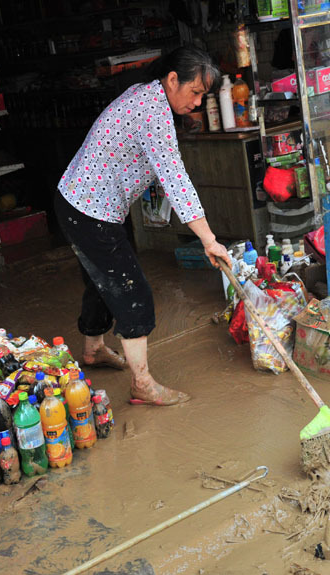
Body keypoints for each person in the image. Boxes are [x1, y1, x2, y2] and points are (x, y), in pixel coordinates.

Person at [56, 46, 231, 407]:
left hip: (79, 202)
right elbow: (175, 177)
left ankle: (92, 351)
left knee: (102, 279)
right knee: (131, 292)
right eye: (195, 92)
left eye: (203, 95)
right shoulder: (152, 111)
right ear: (172, 80)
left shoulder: (146, 95)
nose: (198, 103)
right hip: (89, 211)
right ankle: (142, 383)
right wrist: (209, 240)